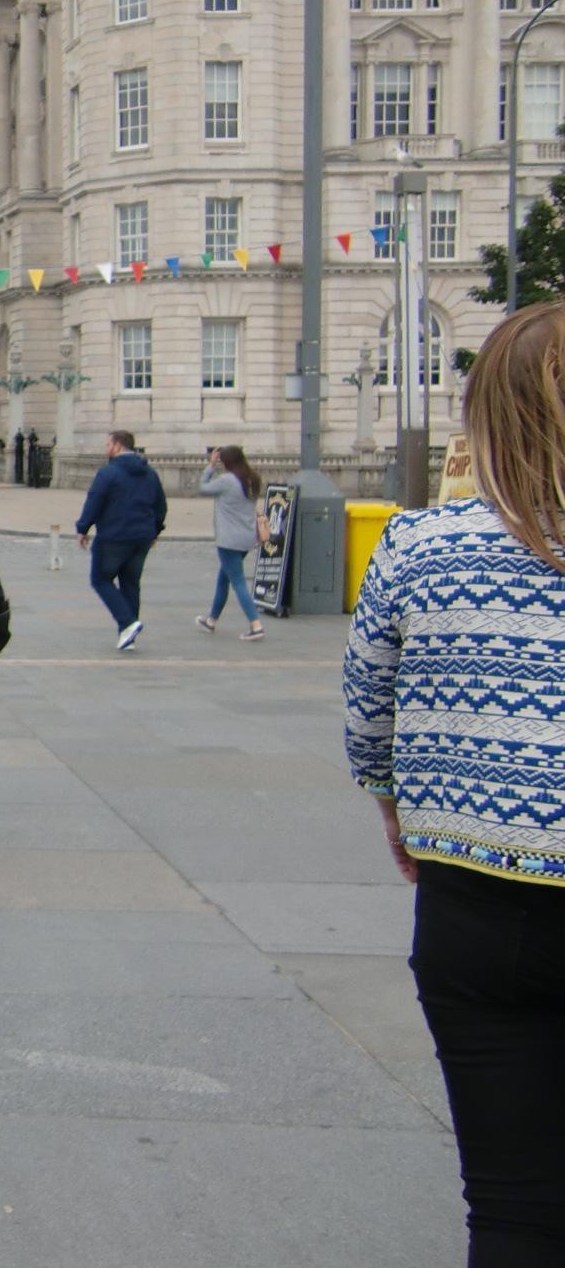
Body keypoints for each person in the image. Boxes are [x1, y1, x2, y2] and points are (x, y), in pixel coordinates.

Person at [344, 302, 565, 1266]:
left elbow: (368, 720)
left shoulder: (418, 545)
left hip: (475, 904)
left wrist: (406, 818)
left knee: (512, 1207)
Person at [74, 430, 167, 651]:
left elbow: (94, 501)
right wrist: (154, 531)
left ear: (117, 446)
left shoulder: (108, 473)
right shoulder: (150, 473)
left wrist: (83, 528)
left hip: (114, 536)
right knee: (130, 583)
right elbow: (160, 505)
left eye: (107, 444)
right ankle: (128, 636)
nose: (106, 448)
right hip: (142, 536)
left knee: (100, 579)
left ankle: (128, 623)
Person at [194, 445, 264, 641]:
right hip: (247, 537)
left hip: (228, 539)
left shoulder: (227, 481)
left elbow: (202, 488)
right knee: (224, 578)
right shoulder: (252, 479)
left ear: (226, 462)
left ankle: (255, 624)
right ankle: (211, 620)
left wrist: (210, 465)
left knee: (238, 582)